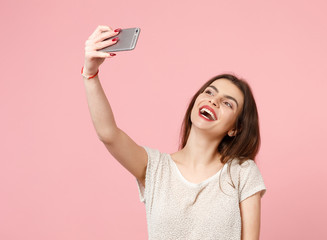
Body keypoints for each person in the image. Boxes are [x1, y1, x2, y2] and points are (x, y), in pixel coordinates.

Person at [82, 25, 267, 240]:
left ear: (235, 128)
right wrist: (90, 73)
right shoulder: (156, 168)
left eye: (227, 103)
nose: (213, 101)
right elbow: (108, 134)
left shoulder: (242, 172)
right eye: (209, 92)